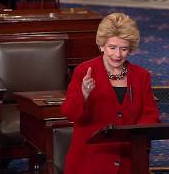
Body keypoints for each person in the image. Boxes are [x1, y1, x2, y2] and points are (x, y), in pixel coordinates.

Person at [61, 12, 161, 174]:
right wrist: (84, 95)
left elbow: (150, 114)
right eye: (112, 47)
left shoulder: (141, 75)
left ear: (131, 49)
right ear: (101, 46)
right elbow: (71, 114)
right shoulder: (84, 71)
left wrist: (136, 134)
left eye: (123, 49)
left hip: (130, 159)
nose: (117, 55)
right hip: (91, 160)